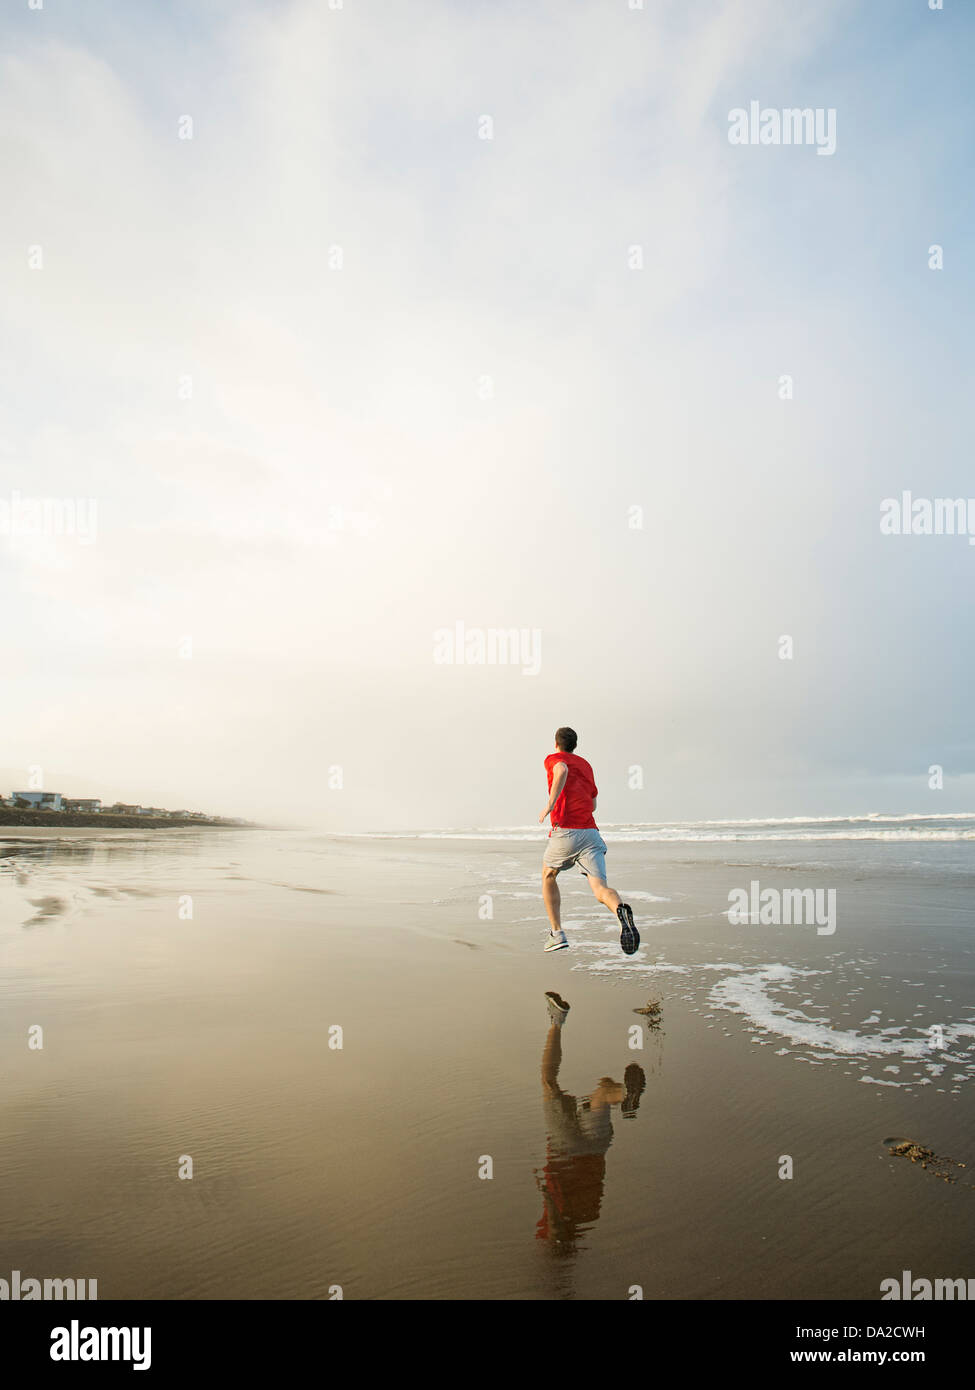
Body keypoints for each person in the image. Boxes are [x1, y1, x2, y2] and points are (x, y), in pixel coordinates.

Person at [538, 726, 639, 954]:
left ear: (556, 743)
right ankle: (620, 909)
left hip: (566, 830)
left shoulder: (554, 759)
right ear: (575, 745)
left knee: (548, 874)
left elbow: (561, 770)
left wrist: (551, 805)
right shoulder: (586, 765)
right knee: (600, 889)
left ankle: (556, 933)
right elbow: (593, 803)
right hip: (591, 834)